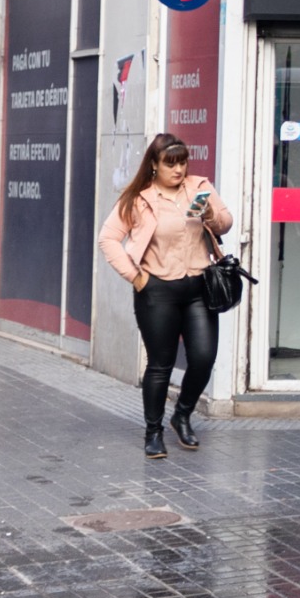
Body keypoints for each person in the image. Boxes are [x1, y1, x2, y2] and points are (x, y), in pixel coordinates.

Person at [98, 133, 232, 460]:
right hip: (157, 290)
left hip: (198, 286)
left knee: (203, 357)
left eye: (182, 162)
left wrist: (211, 215)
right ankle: (153, 430)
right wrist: (137, 277)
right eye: (170, 163)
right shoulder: (139, 199)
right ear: (154, 166)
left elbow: (226, 224)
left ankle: (182, 414)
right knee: (161, 365)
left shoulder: (199, 187)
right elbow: (108, 239)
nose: (178, 170)